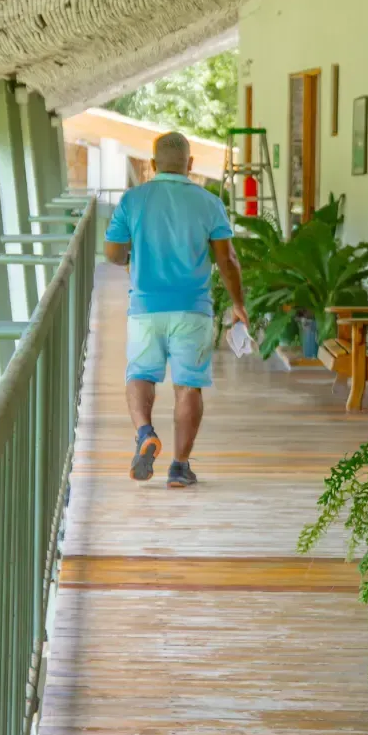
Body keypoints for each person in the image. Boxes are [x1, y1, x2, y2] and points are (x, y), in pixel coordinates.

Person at [103, 132, 248, 487]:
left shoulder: (133, 200)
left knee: (140, 374)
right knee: (188, 387)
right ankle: (179, 468)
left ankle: (145, 433)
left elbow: (112, 253)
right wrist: (239, 304)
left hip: (145, 307)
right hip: (192, 309)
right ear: (191, 165)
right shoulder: (209, 202)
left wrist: (128, 258)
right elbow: (227, 259)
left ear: (153, 165)